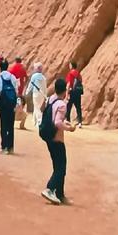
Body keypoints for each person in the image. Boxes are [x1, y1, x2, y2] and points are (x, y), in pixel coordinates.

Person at [40, 75, 76, 203]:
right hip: (57, 138)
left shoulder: (51, 99)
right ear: (64, 91)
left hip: (49, 137)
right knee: (61, 168)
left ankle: (59, 194)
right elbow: (57, 122)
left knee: (58, 166)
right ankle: (49, 188)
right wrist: (69, 128)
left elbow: (42, 110)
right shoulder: (61, 104)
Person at [0, 58, 18, 154]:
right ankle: (11, 147)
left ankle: (4, 146)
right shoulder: (12, 77)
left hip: (3, 103)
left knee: (3, 124)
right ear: (7, 66)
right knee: (10, 125)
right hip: (12, 103)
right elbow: (16, 90)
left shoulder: (0, 77)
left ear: (0, 67)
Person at [27, 62, 48, 127]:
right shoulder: (43, 77)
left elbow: (31, 84)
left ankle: (39, 121)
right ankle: (34, 120)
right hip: (42, 94)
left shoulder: (34, 76)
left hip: (36, 93)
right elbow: (45, 87)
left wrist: (27, 91)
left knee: (37, 107)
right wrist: (45, 95)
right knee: (37, 106)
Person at [10, 54, 28, 130]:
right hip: (20, 87)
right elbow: (26, 77)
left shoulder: (13, 67)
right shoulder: (22, 68)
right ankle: (21, 123)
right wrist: (24, 83)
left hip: (14, 87)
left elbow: (9, 74)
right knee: (19, 101)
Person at [67, 60, 84, 127]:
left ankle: (68, 121)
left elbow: (69, 84)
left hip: (72, 92)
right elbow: (81, 81)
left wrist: (67, 93)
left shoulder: (70, 73)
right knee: (78, 107)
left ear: (71, 65)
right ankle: (80, 122)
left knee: (68, 106)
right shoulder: (78, 73)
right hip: (78, 92)